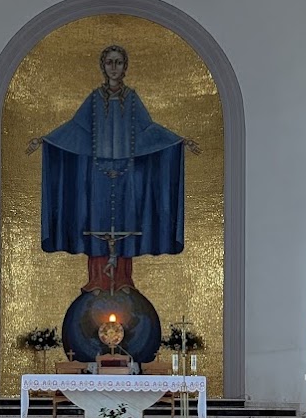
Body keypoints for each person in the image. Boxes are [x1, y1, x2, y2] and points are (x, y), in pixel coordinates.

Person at [27, 44, 198, 293]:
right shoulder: (94, 99)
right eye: (110, 62)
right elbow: (76, 129)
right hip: (97, 176)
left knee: (126, 225)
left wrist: (178, 140)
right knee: (96, 224)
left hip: (127, 174)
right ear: (103, 66)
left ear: (125, 67)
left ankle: (124, 280)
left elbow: (148, 129)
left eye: (119, 62)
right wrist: (46, 139)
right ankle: (96, 279)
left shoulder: (132, 98)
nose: (114, 67)